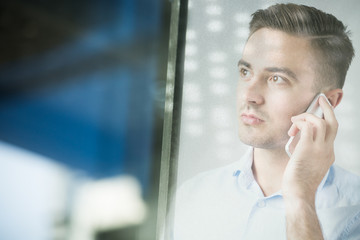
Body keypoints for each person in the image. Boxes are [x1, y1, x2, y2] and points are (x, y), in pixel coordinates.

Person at [172, 3, 360, 240]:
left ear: (328, 102)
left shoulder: (355, 210)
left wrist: (301, 198)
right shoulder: (192, 195)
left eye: (276, 78)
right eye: (245, 72)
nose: (249, 96)